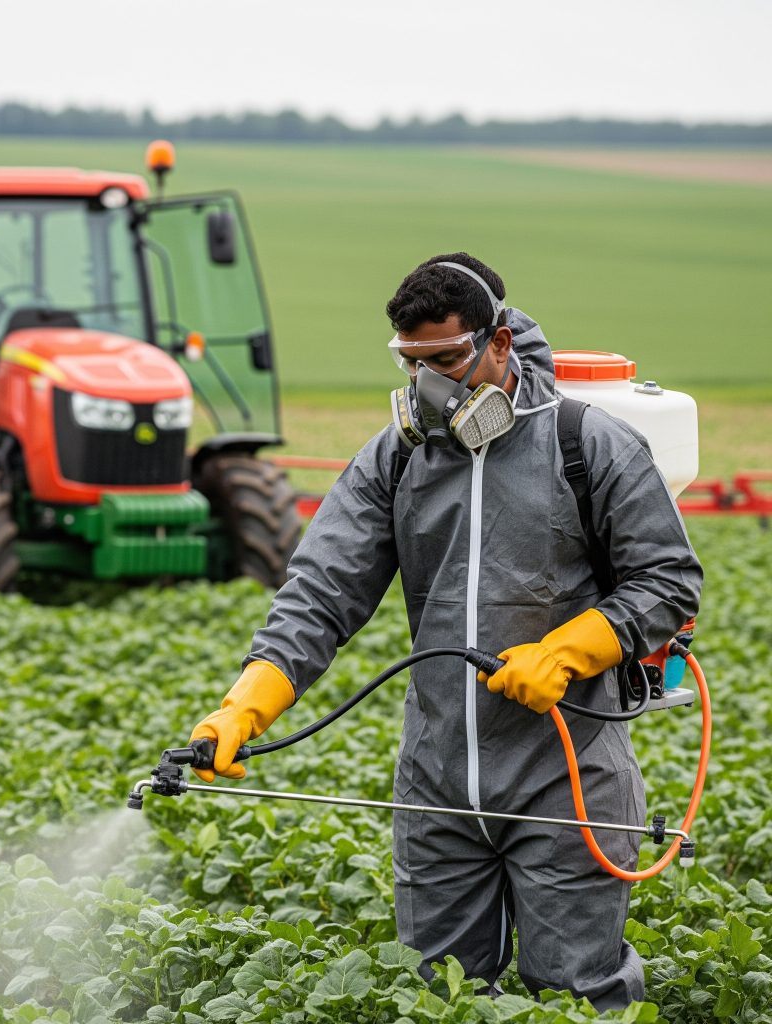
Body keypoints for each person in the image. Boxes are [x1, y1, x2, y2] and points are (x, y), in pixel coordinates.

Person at [189, 253, 702, 1010]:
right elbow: (321, 592)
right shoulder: (397, 459)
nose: (431, 384)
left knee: (575, 996)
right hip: (436, 783)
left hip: (566, 774)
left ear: (499, 343)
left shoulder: (584, 443)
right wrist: (245, 707)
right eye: (412, 362)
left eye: (447, 359)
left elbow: (669, 583)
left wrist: (568, 649)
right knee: (433, 997)